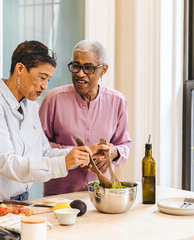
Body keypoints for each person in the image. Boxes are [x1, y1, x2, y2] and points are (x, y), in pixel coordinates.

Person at [0, 40, 93, 209]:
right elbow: (6, 163)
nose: (45, 86)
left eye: (48, 79)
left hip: (22, 201)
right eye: (42, 77)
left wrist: (73, 155)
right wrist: (62, 163)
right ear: (20, 69)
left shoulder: (29, 104)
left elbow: (42, 151)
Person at [39, 40, 132, 197]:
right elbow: (37, 146)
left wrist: (113, 152)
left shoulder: (117, 101)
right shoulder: (54, 99)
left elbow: (125, 145)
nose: (80, 74)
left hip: (102, 194)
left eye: (88, 68)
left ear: (103, 70)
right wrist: (74, 155)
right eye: (76, 66)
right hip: (60, 195)